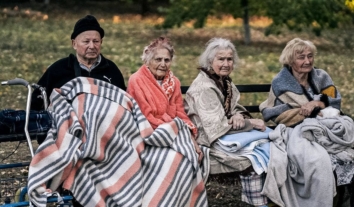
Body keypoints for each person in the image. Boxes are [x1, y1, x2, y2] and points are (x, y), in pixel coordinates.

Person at [259, 37, 354, 207]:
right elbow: (277, 114)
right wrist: (304, 113)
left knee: (348, 158)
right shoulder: (280, 82)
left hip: (328, 129)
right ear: (290, 60)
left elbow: (334, 102)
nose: (307, 61)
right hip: (297, 132)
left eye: (310, 56)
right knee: (318, 162)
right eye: (301, 57)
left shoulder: (321, 76)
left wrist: (316, 103)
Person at [184, 37, 271, 207]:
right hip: (209, 142)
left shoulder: (223, 82)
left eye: (229, 59)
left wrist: (239, 116)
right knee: (252, 162)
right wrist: (251, 123)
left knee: (272, 151)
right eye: (221, 59)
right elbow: (216, 127)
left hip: (228, 137)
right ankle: (259, 204)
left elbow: (235, 108)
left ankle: (272, 199)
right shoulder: (205, 87)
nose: (226, 63)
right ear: (210, 61)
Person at [126, 37, 209, 206]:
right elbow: (145, 116)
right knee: (173, 161)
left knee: (192, 158)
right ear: (148, 60)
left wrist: (190, 137)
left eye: (167, 60)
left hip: (171, 131)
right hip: (147, 135)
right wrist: (172, 125)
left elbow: (180, 112)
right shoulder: (136, 80)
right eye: (158, 59)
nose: (163, 64)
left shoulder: (174, 82)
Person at [31, 14, 126, 111]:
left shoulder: (111, 70)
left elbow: (124, 104)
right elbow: (36, 104)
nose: (92, 46)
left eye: (96, 41)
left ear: (101, 42)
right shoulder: (58, 70)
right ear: (74, 44)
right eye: (86, 41)